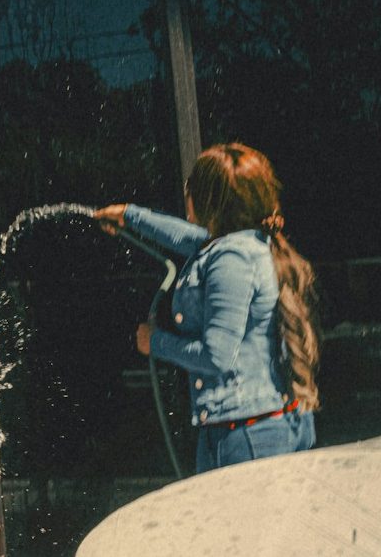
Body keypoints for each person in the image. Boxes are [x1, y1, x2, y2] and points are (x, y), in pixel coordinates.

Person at [95, 142, 320, 473]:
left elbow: (217, 357)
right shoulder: (244, 244)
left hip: (248, 437)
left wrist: (154, 342)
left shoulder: (231, 258)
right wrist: (130, 216)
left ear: (207, 200)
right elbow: (188, 238)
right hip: (253, 427)